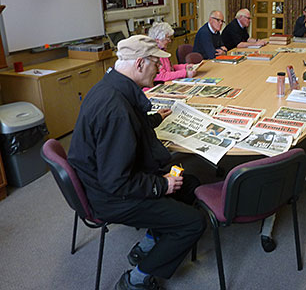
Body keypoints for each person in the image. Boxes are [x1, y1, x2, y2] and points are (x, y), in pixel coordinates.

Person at [68, 35, 206, 290]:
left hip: (108, 181)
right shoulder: (115, 110)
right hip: (110, 196)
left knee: (190, 183)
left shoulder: (111, 87)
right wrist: (160, 186)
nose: (158, 69)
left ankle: (149, 242)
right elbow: (117, 182)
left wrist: (153, 120)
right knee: (194, 222)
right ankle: (136, 279)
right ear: (140, 64)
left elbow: (129, 129)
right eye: (156, 63)